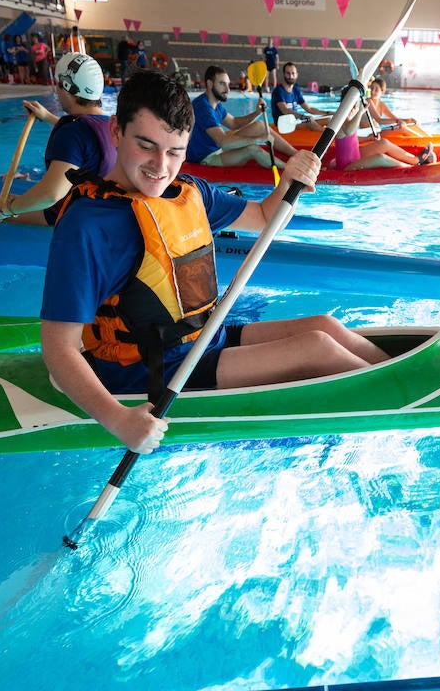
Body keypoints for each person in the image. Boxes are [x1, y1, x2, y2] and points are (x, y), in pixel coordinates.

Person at [39, 70, 390, 454]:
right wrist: (118, 419)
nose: (161, 165)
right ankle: (400, 394)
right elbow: (59, 349)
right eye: (146, 145)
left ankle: (400, 372)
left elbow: (261, 216)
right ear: (116, 132)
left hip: (201, 340)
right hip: (152, 371)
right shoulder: (87, 226)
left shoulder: (187, 192)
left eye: (175, 151)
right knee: (317, 348)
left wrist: (290, 180)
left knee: (326, 325)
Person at [0, 53, 111, 225]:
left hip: (69, 217)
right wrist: (47, 117)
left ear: (66, 86)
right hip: (97, 210)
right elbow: (86, 142)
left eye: (58, 85)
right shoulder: (111, 125)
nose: (57, 91)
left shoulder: (73, 131)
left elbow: (51, 194)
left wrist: (6, 210)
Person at [190, 65, 297, 168]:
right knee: (253, 149)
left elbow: (234, 123)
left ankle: (295, 154)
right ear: (210, 84)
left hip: (218, 148)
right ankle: (289, 168)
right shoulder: (203, 107)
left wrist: (257, 112)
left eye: (228, 84)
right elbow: (224, 142)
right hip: (207, 158)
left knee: (259, 125)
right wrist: (258, 139)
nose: (228, 90)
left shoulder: (215, 104)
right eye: (222, 84)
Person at [272, 62, 326, 131]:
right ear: (284, 74)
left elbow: (309, 109)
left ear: (296, 75)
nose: (291, 76)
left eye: (293, 73)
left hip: (295, 122)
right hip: (283, 126)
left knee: (327, 119)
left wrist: (327, 113)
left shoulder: (296, 90)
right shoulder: (278, 91)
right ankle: (328, 138)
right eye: (288, 73)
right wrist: (303, 117)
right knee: (310, 122)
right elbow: (285, 110)